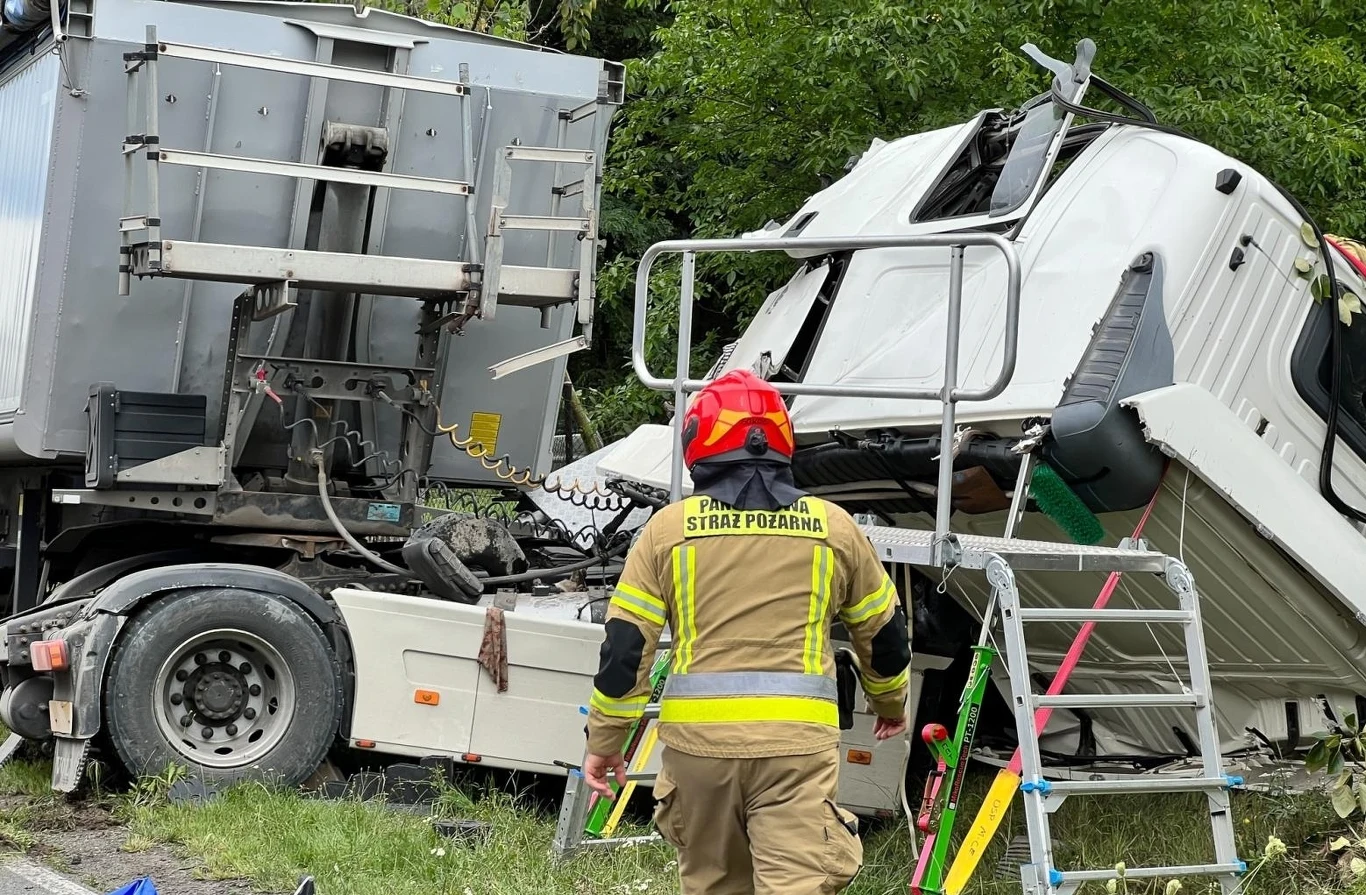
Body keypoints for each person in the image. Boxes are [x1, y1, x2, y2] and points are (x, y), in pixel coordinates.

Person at [582, 368, 913, 895]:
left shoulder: (667, 531)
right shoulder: (835, 527)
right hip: (796, 751)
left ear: (699, 443)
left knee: (713, 885)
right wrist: (891, 705)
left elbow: (625, 650)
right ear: (782, 441)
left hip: (698, 751)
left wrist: (606, 740)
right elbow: (886, 636)